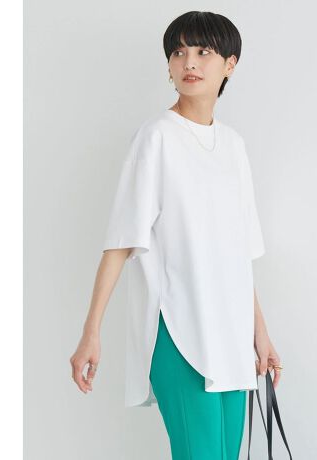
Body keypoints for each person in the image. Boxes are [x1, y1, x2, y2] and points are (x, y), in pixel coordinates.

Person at [70, 10, 283, 460]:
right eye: (179, 52)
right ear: (168, 65)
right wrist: (91, 332)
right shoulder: (156, 138)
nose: (189, 62)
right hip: (180, 330)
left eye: (204, 52)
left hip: (231, 335)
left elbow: (238, 256)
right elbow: (120, 243)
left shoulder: (234, 146)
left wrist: (259, 333)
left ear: (230, 64)